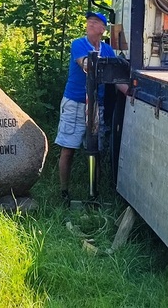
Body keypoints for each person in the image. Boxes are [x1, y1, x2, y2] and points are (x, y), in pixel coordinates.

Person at [55, 11, 127, 204]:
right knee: (68, 148)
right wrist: (91, 63)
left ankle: (94, 195)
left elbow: (116, 80)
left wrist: (133, 92)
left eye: (94, 22)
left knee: (95, 149)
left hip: (97, 106)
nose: (89, 24)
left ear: (103, 29)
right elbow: (85, 64)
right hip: (75, 103)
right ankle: (64, 192)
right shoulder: (78, 44)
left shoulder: (108, 50)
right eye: (88, 22)